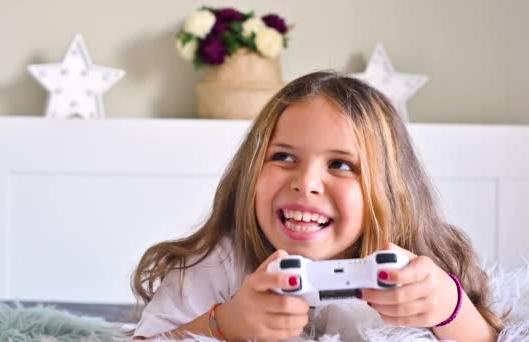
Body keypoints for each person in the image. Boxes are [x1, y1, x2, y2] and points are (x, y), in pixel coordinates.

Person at [131, 71, 502, 341]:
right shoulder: (219, 262)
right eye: (283, 157)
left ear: (391, 188)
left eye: (340, 165)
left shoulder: (420, 266)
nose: (305, 183)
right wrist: (225, 324)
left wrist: (450, 308)